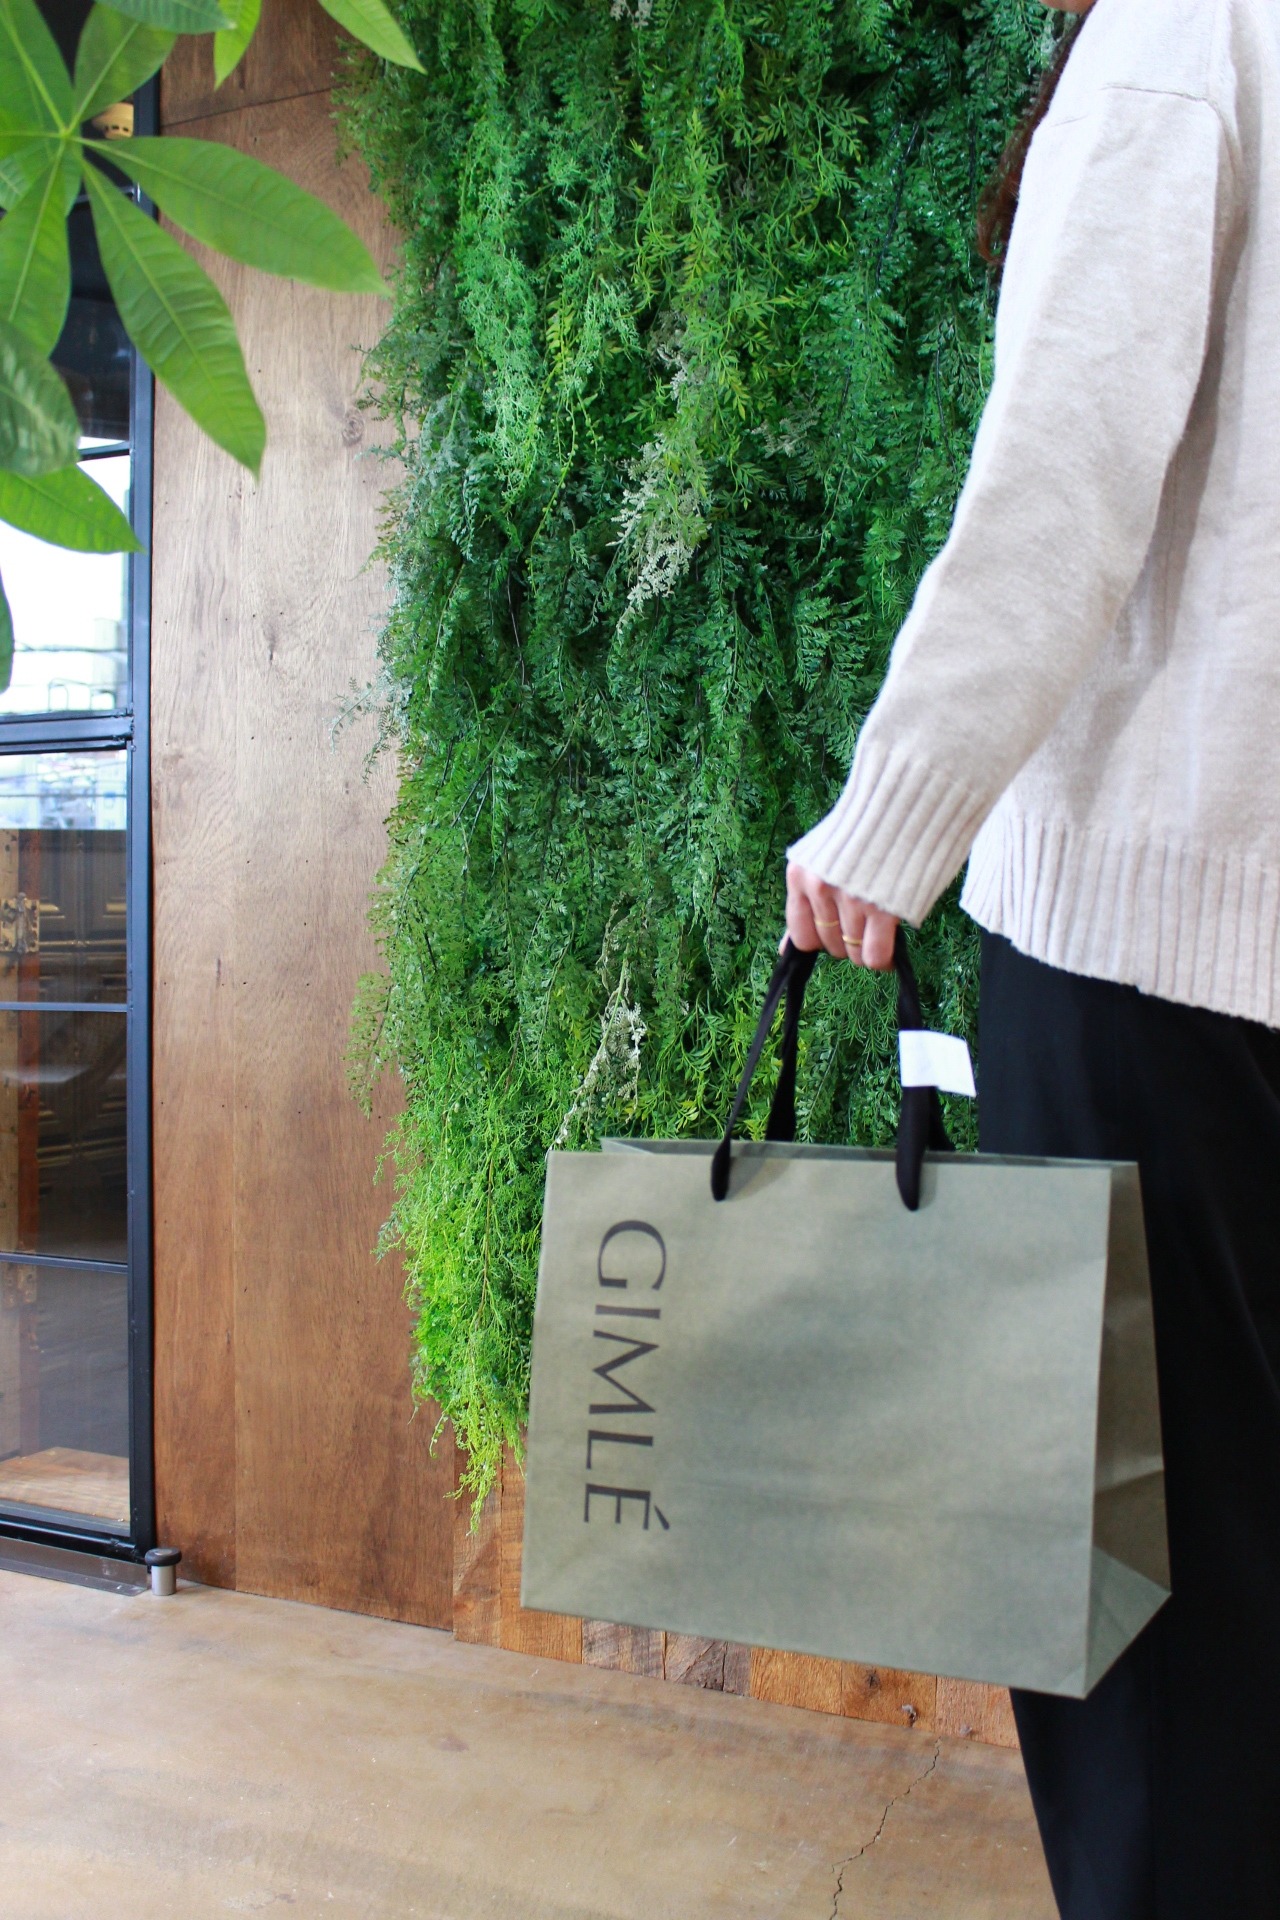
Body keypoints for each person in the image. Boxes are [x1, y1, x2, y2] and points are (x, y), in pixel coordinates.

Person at [784, 0, 1280, 1913]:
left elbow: (1065, 469)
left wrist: (892, 817)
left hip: (1152, 943)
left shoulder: (1187, 31)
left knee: (1143, 1615)